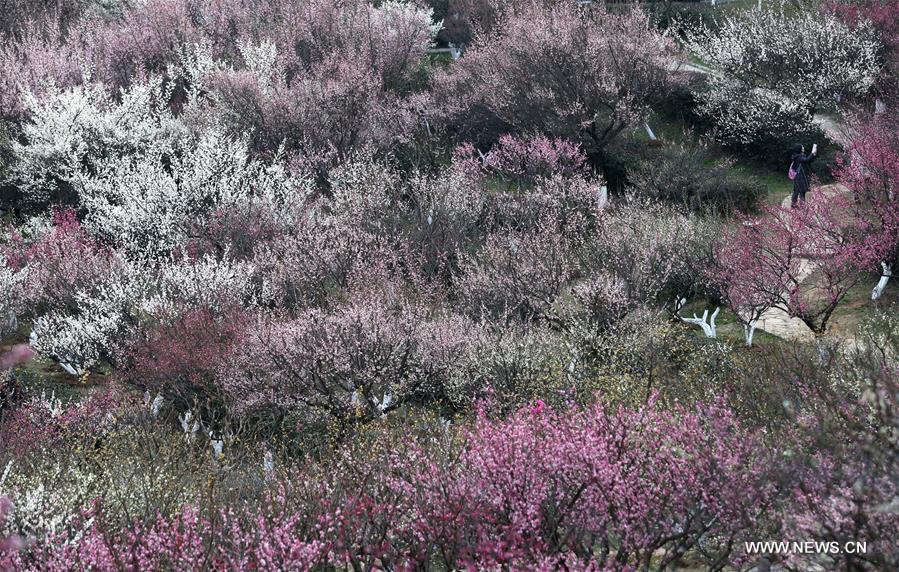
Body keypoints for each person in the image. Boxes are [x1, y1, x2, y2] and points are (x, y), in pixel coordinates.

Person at [790, 143, 817, 208]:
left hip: (797, 176)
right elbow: (807, 160)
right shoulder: (799, 157)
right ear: (799, 149)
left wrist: (813, 155)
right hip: (800, 177)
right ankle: (802, 207)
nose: (803, 148)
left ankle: (794, 205)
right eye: (802, 147)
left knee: (796, 191)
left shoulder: (797, 156)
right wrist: (812, 153)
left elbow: (808, 161)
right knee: (802, 192)